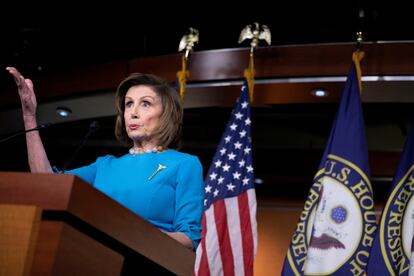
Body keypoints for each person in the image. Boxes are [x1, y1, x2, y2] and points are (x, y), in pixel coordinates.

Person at [6, 66, 204, 250]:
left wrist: (137, 235)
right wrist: (29, 116)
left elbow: (189, 238)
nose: (133, 113)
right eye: (128, 104)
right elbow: (46, 183)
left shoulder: (184, 164)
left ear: (166, 114)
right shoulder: (104, 166)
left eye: (145, 104)